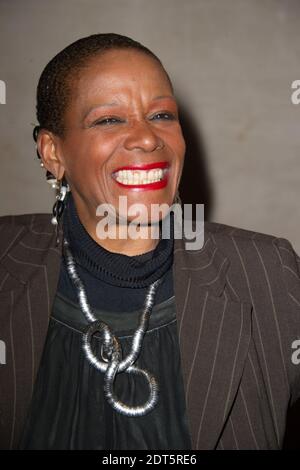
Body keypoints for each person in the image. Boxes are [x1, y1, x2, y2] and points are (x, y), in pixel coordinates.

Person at [0, 33, 300, 451]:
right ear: (53, 153)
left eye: (161, 115)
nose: (146, 138)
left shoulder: (268, 271)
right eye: (110, 119)